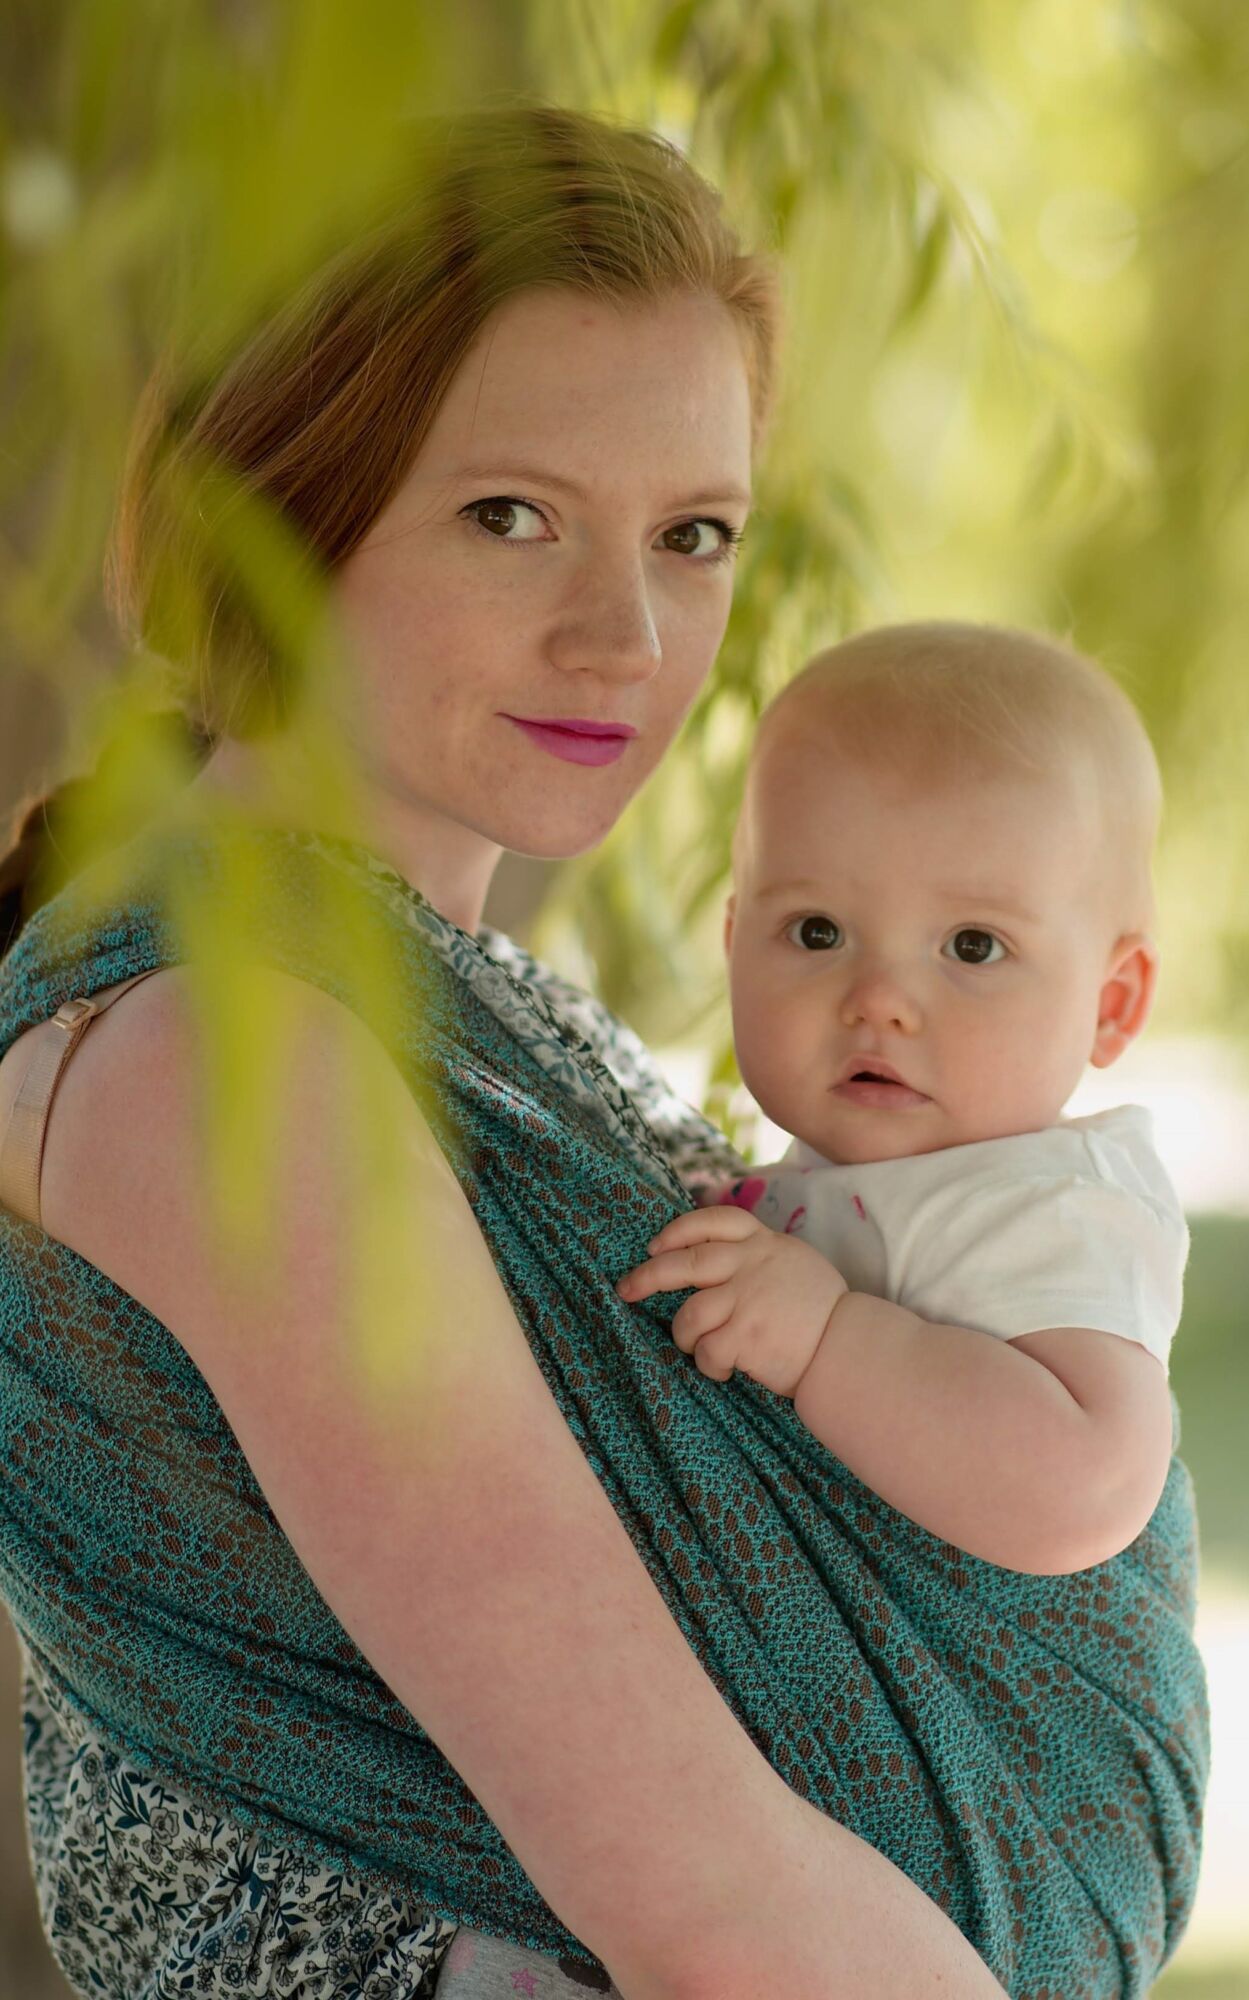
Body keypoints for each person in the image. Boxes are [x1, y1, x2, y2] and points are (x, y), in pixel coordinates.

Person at [0, 105, 1205, 2000]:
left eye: (692, 535)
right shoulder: (234, 1052)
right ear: (279, 506)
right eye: (511, 516)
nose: (625, 634)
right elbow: (699, 1898)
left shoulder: (419, 1000)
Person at [616, 622, 1187, 1580]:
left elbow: (1086, 1487)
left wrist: (825, 1339)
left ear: (1110, 1003)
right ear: (732, 944)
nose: (876, 999)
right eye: (816, 931)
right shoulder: (836, 1174)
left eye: (972, 946)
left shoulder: (1054, 1209)